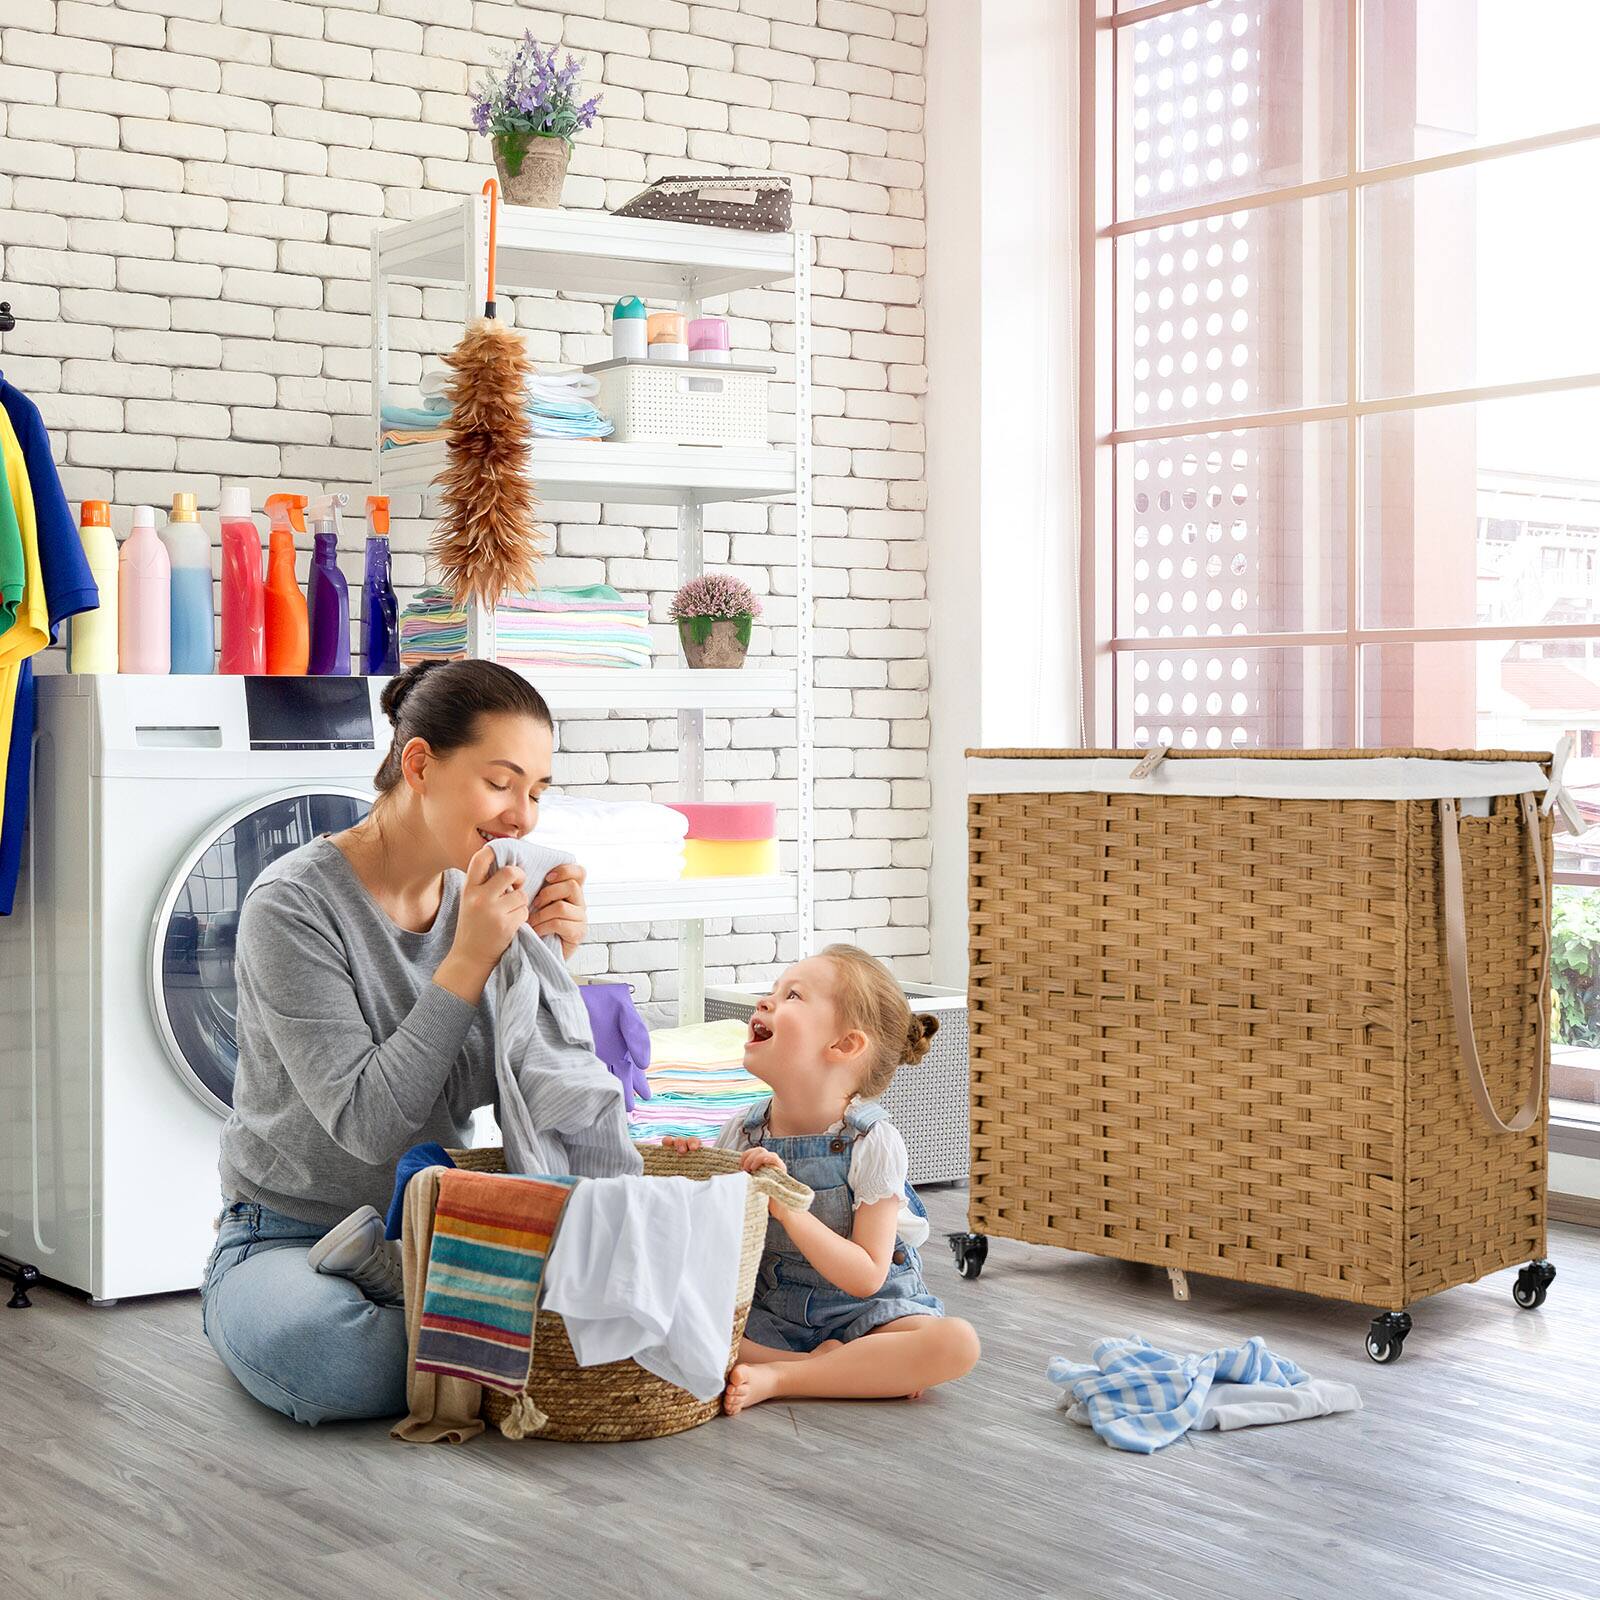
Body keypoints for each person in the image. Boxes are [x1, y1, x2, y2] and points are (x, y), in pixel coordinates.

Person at [202, 660, 590, 1426]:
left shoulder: (480, 900)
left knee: (621, 1286)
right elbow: (370, 1124)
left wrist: (546, 967)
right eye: (502, 782)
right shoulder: (293, 905)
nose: (523, 817)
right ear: (419, 764)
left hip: (437, 1223)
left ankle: (439, 1316)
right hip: (290, 1235)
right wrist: (472, 958)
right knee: (327, 1352)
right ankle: (468, 1337)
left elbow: (470, 1087)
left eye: (537, 792)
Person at [666, 945, 981, 1413]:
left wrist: (789, 1207)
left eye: (791, 995)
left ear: (844, 1045)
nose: (766, 1002)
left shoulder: (872, 1141)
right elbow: (716, 1240)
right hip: (771, 1308)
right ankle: (844, 1370)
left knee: (957, 1342)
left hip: (866, 1312)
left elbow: (867, 1278)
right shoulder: (742, 1129)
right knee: (668, 1314)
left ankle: (786, 1376)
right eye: (771, 992)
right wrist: (689, 1177)